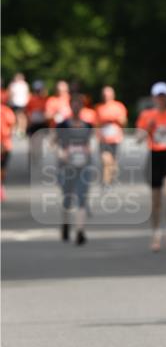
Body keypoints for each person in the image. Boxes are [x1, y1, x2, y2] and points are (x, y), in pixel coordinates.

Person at [136, 82, 166, 251]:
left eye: (164, 96)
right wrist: (147, 129)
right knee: (156, 201)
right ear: (154, 97)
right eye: (158, 96)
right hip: (154, 157)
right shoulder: (146, 115)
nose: (161, 99)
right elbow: (138, 138)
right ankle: (156, 234)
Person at [55, 94, 95, 244]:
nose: (77, 107)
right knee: (67, 199)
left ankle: (80, 231)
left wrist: (87, 151)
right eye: (74, 104)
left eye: (79, 104)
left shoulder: (88, 126)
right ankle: (65, 224)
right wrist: (62, 154)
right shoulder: (62, 125)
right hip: (66, 167)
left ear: (82, 107)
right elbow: (54, 143)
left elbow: (91, 144)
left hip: (83, 166)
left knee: (82, 198)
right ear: (70, 106)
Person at [95, 86, 128, 186]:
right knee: (105, 159)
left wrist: (115, 119)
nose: (106, 96)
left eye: (108, 94)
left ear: (113, 95)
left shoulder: (119, 106)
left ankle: (110, 177)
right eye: (105, 94)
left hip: (115, 138)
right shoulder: (99, 108)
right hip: (103, 138)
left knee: (112, 161)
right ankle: (105, 182)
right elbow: (96, 124)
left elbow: (124, 121)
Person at [1, 103, 16, 201]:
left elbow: (12, 124)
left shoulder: (6, 110)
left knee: (2, 168)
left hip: (5, 144)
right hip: (5, 144)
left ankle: (1, 187)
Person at [8, 73, 29, 137]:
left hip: (19, 103)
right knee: (19, 116)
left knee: (19, 116)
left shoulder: (16, 85)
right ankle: (19, 129)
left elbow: (10, 94)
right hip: (18, 103)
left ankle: (20, 129)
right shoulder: (24, 85)